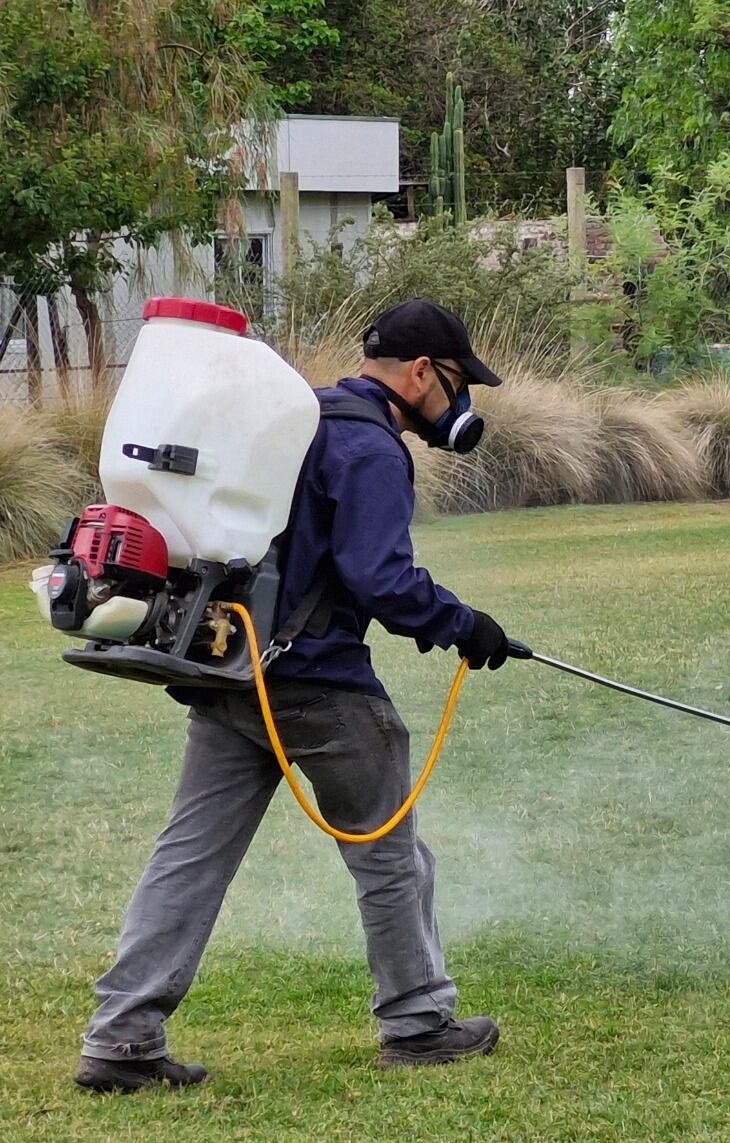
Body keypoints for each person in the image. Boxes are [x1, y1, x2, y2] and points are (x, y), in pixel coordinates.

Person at [75, 300, 515, 1093]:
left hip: (231, 667)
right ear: (421, 373)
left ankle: (121, 1036)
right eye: (455, 383)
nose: (457, 404)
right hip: (319, 685)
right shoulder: (372, 448)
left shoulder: (296, 416)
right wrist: (466, 625)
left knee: (190, 857)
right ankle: (418, 1022)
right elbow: (381, 578)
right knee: (390, 856)